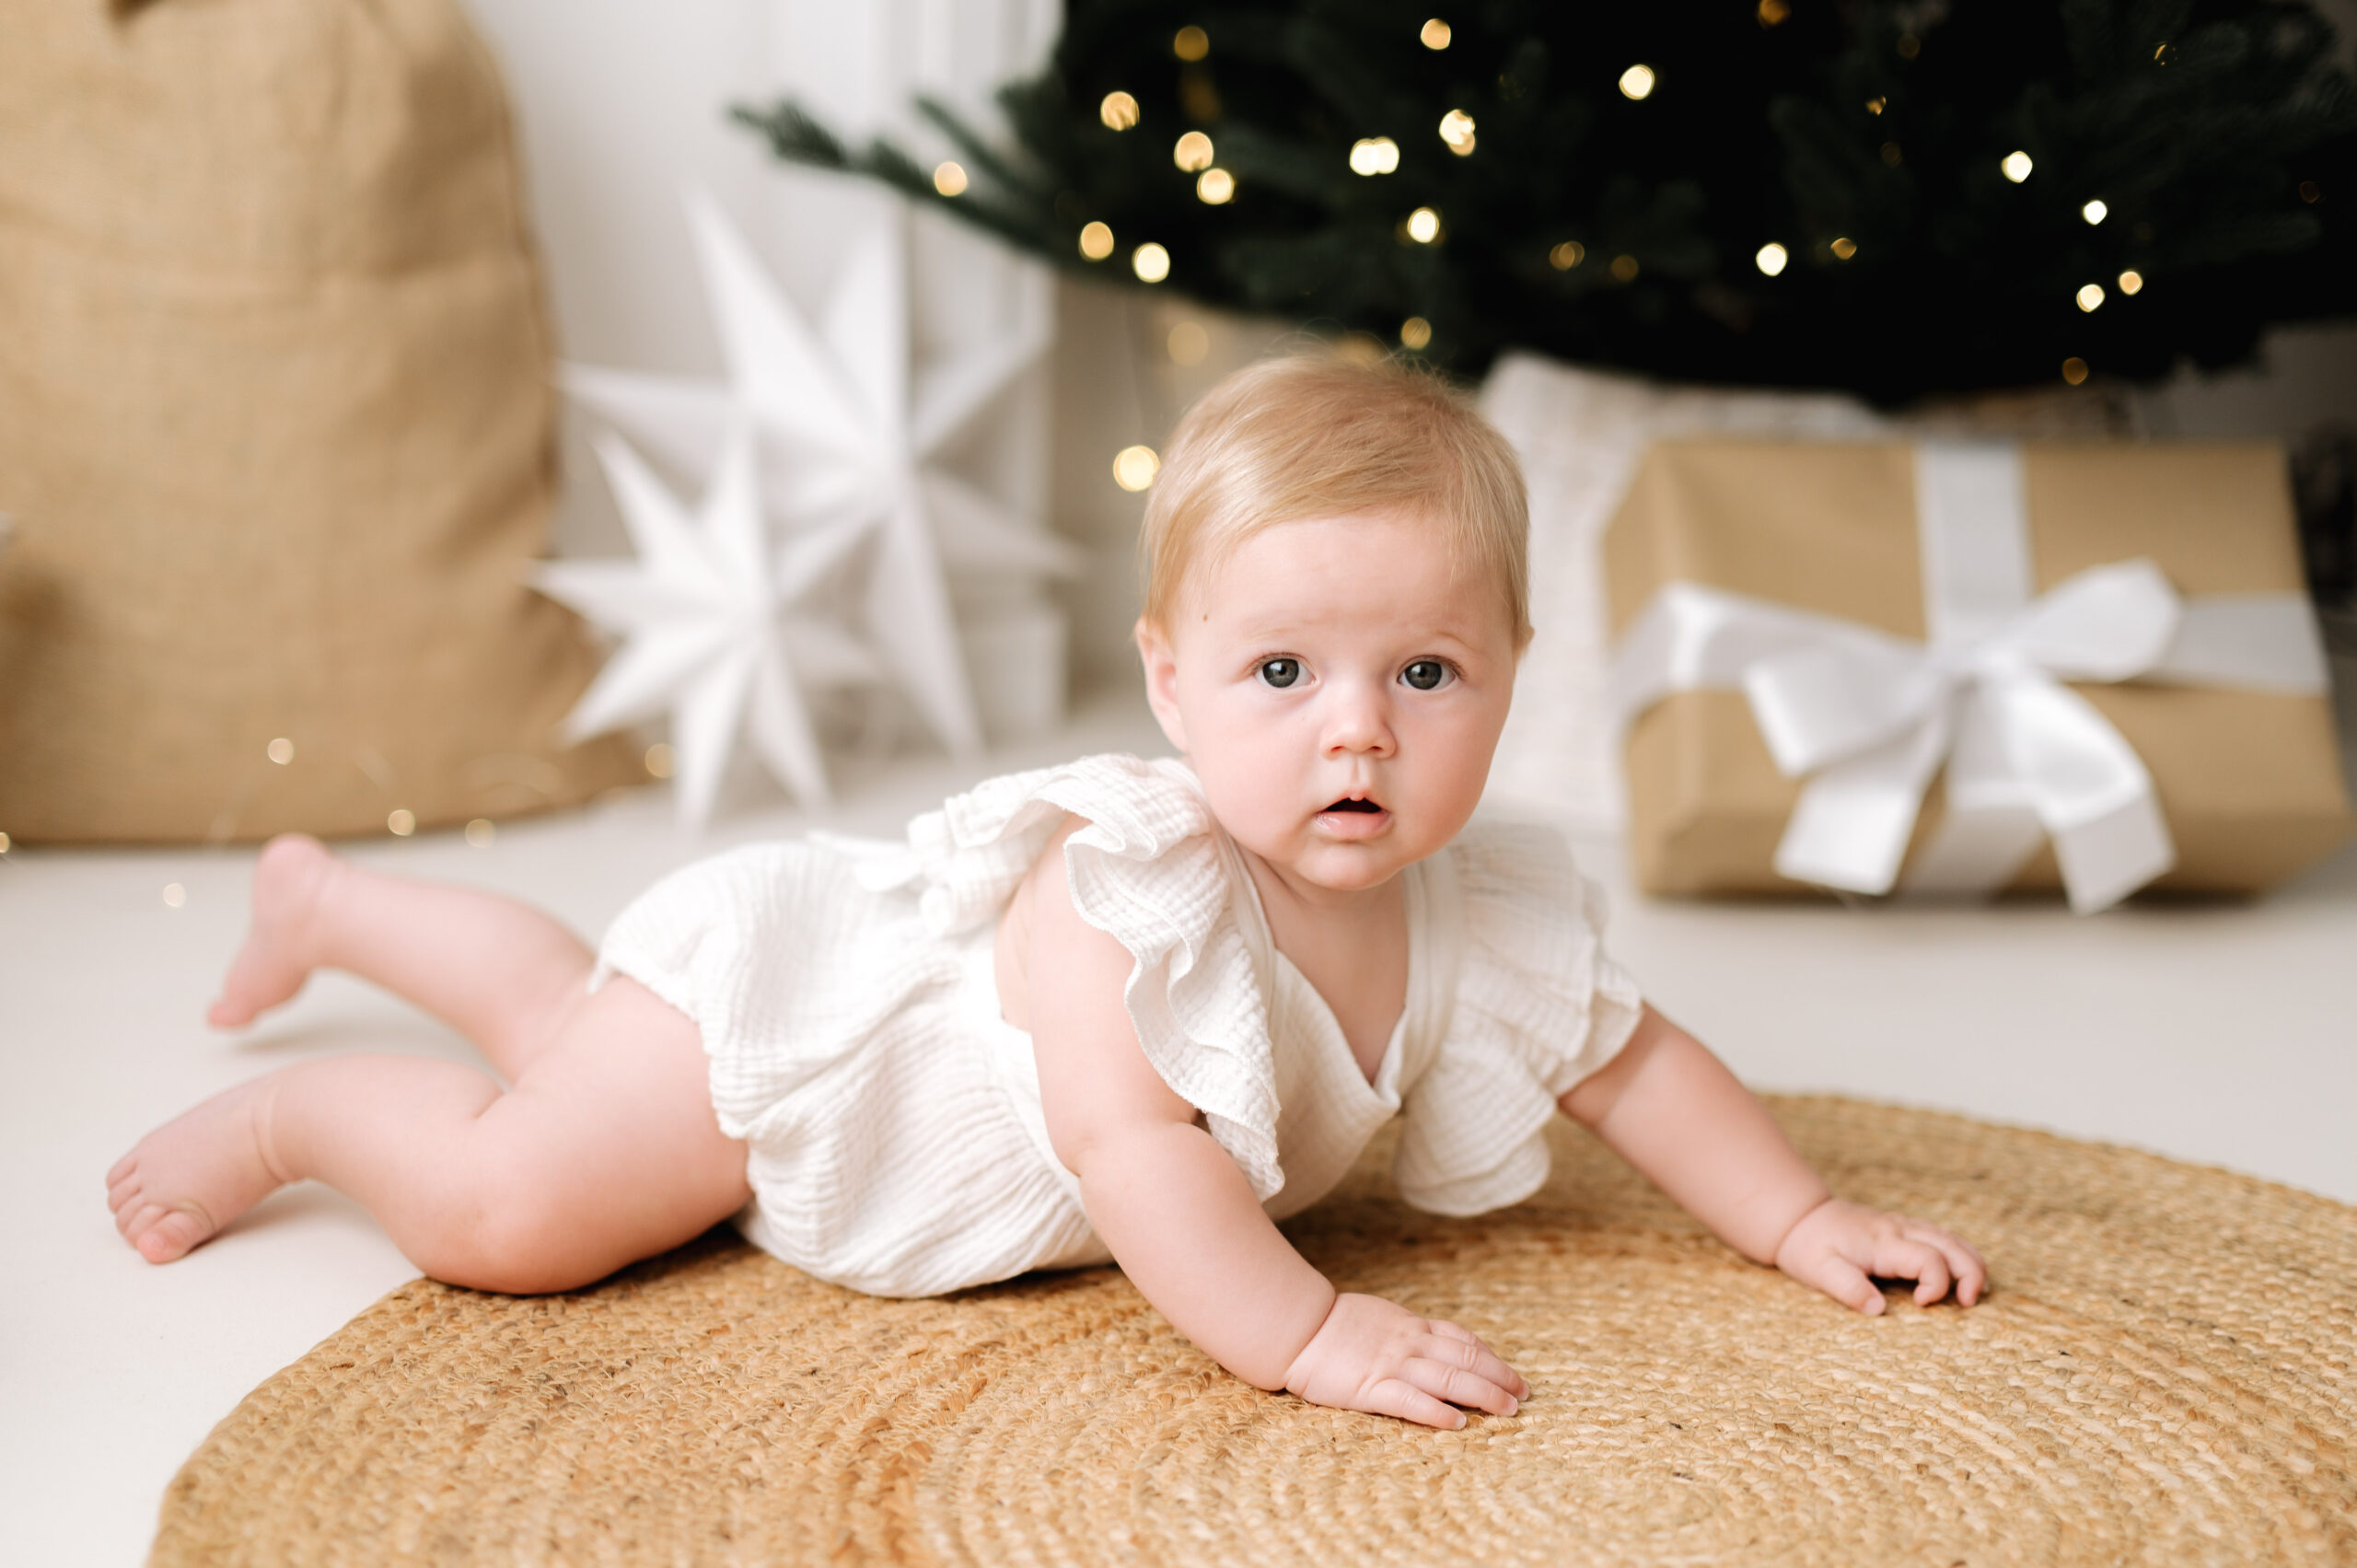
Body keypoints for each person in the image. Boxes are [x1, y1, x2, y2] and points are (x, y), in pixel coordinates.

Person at [109, 355, 1985, 1430]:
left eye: (1424, 675)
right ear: (1169, 680)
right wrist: (1309, 1333)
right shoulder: (1126, 893)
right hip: (825, 1079)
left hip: (750, 1053)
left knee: (562, 1029)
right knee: (521, 1196)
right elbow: (1138, 1153)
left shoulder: (1482, 910)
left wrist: (1795, 1216)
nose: (1357, 737)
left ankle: (332, 909)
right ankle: (294, 1104)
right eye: (1282, 676)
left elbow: (1632, 1060)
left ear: (1509, 671)